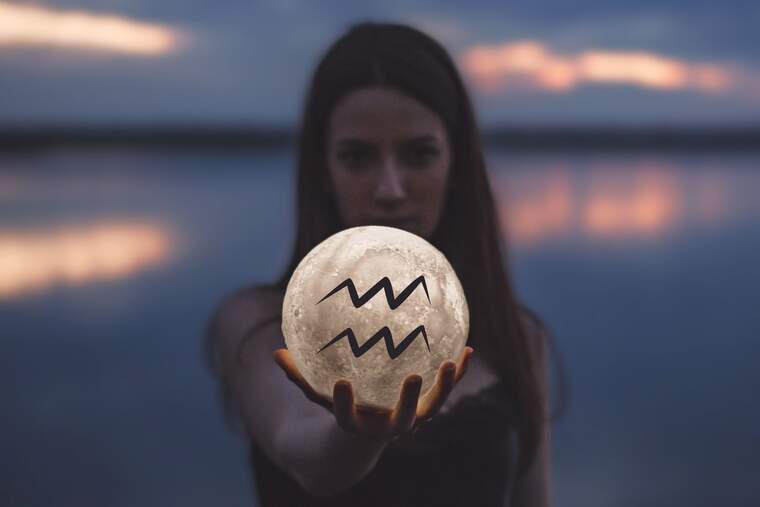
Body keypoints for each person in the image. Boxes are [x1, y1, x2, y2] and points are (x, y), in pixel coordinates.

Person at [205, 21, 555, 506]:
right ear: (323, 170)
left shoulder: (515, 337)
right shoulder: (255, 325)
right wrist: (361, 433)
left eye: (418, 154)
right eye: (358, 157)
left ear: (456, 165)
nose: (390, 189)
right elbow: (308, 457)